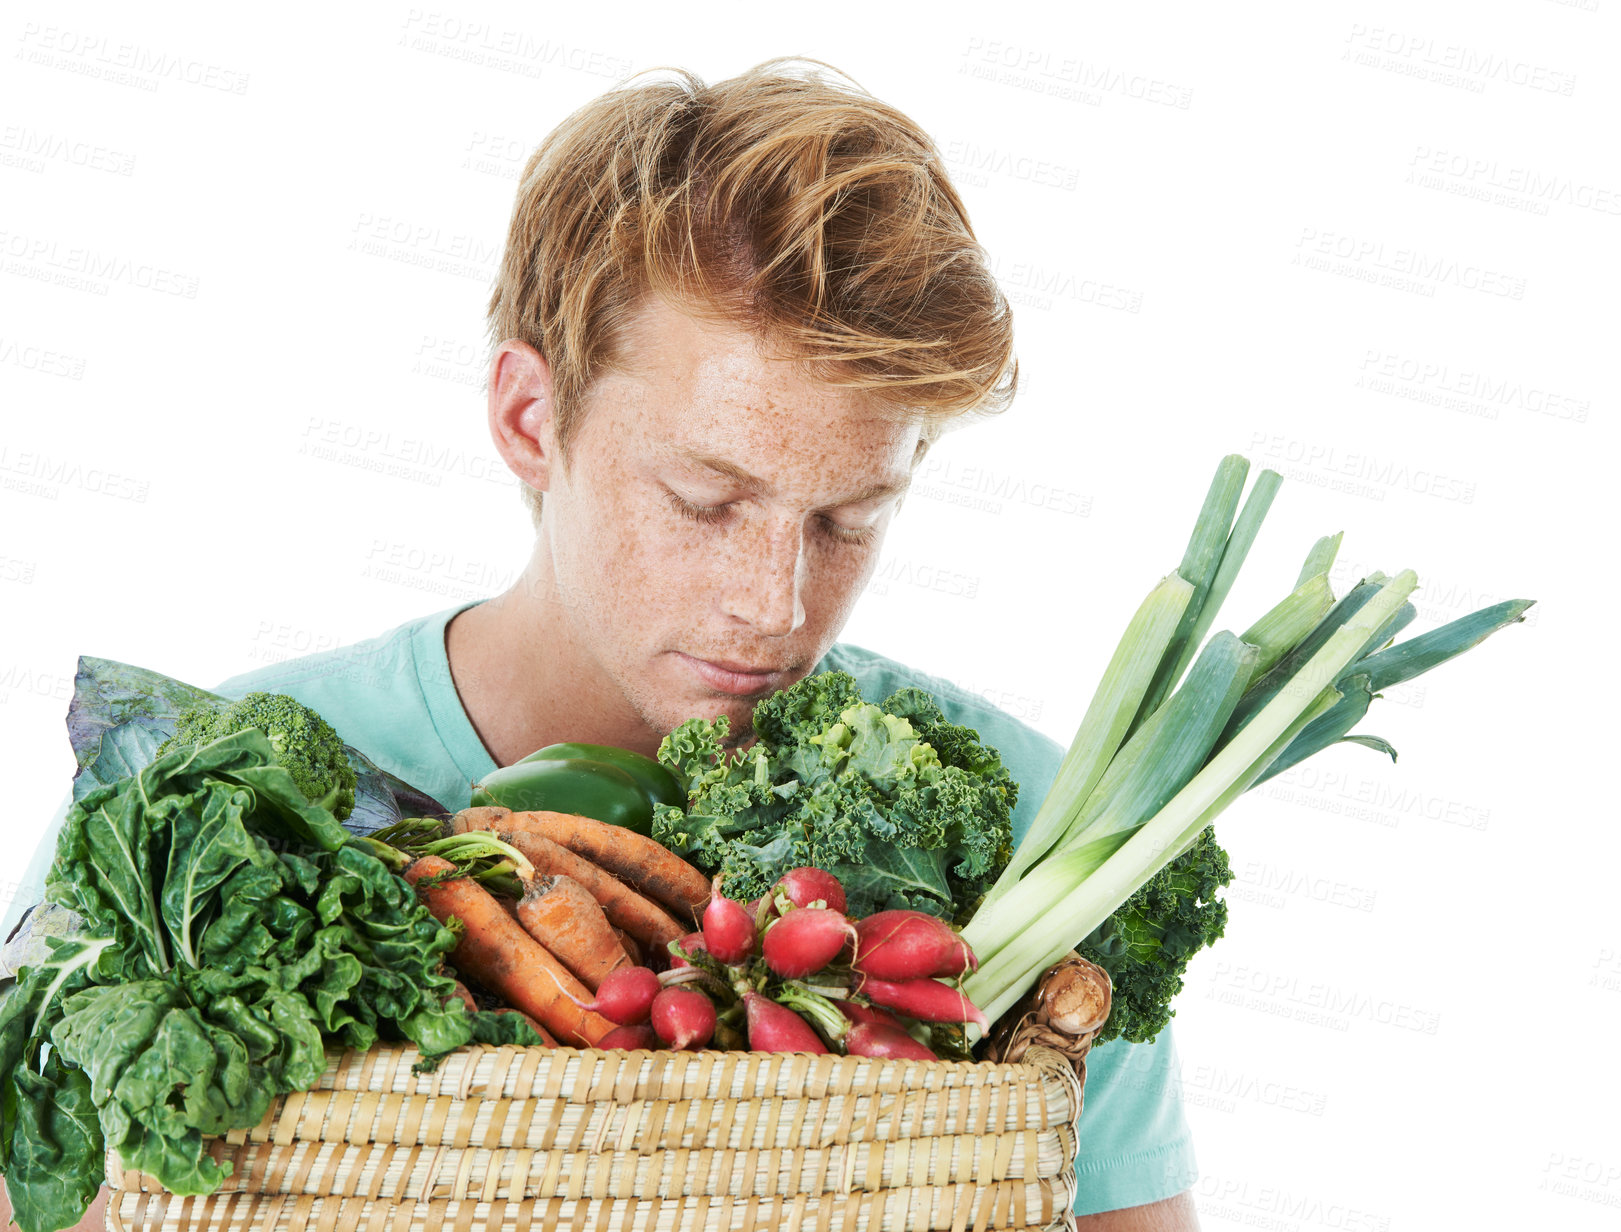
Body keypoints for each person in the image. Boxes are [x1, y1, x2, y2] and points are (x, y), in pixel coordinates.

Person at [0, 58, 1199, 1230]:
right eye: (702, 498)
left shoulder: (1043, 840)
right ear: (530, 416)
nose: (774, 602)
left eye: (847, 519)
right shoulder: (194, 800)